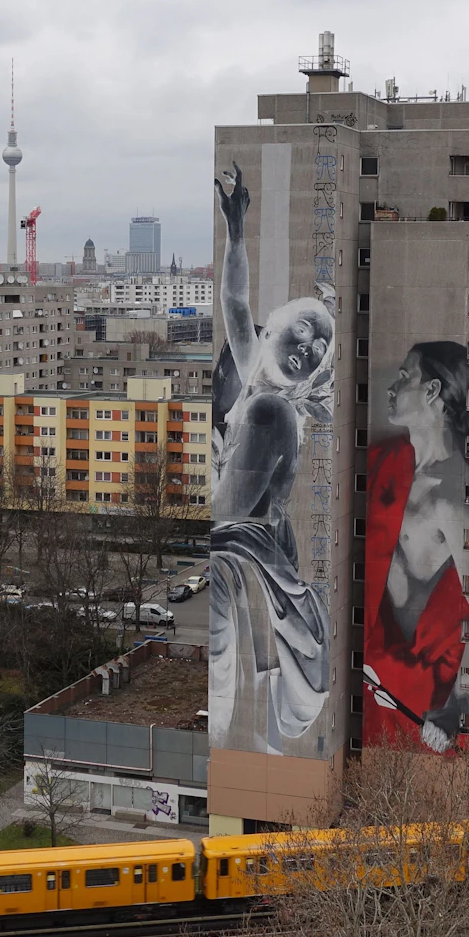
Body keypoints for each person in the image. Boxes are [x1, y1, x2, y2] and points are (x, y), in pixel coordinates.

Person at [207, 163, 334, 753]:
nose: (307, 349)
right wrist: (237, 233)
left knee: (298, 663)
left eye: (318, 350)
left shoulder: (289, 409)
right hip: (249, 539)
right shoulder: (266, 403)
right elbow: (234, 298)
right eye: (304, 331)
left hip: (272, 540)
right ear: (277, 326)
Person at [364, 342, 469, 752]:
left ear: (432, 392)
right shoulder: (385, 464)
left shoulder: (452, 497)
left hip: (421, 700)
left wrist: (455, 706)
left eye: (404, 376)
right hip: (376, 675)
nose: (392, 387)